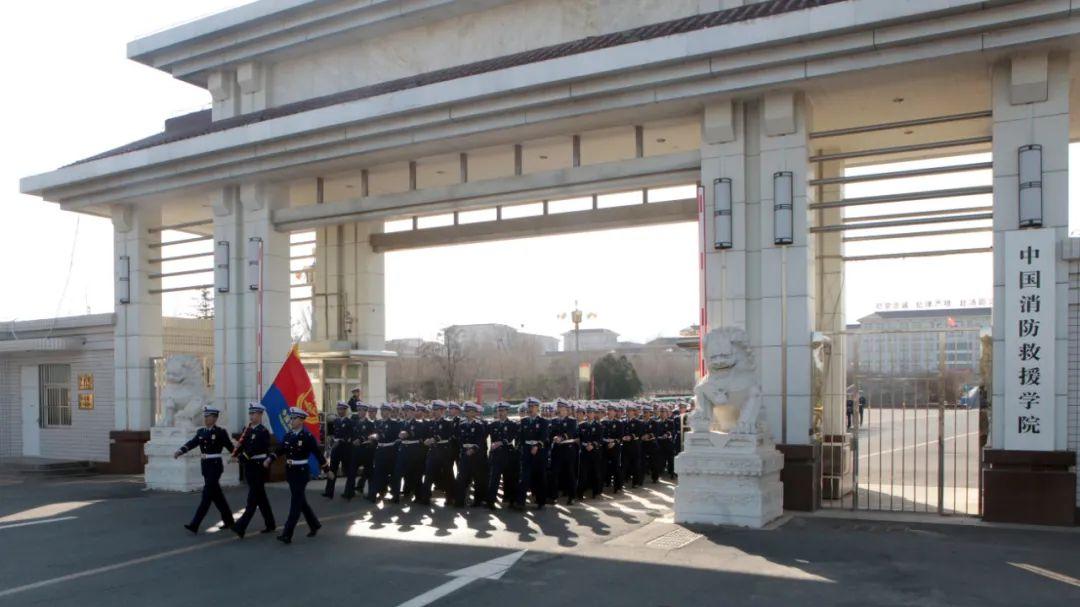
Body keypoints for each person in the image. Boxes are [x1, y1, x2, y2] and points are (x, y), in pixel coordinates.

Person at [265, 406, 329, 544]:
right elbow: (280, 449)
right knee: (301, 502)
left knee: (295, 503)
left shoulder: (307, 437)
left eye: (294, 418)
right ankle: (314, 524)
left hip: (301, 472)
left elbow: (317, 454)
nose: (291, 421)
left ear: (301, 421)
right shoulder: (289, 435)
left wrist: (327, 469)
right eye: (292, 418)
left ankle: (287, 534)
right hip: (291, 471)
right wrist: (270, 458)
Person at [175, 406, 235, 534]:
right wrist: (181, 450)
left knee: (206, 495)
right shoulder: (201, 432)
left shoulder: (220, 432)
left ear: (214, 418)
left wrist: (239, 456)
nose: (206, 419)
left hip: (215, 465)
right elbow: (192, 443)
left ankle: (195, 524)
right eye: (205, 416)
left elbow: (230, 447)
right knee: (217, 496)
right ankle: (229, 520)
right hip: (206, 466)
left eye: (209, 416)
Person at [231, 402, 276, 539]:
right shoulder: (248, 429)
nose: (251, 416)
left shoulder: (263, 431)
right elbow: (243, 444)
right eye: (250, 413)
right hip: (250, 466)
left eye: (254, 413)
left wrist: (241, 458)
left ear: (260, 415)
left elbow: (255, 449)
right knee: (260, 497)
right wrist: (235, 453)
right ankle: (270, 523)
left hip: (258, 467)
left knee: (253, 499)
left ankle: (241, 526)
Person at [417, 400, 454, 505]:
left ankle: (450, 497)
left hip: (444, 451)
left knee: (448, 475)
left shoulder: (447, 422)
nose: (434, 412)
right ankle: (425, 498)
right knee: (428, 475)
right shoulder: (430, 423)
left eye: (436, 410)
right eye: (433, 409)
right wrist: (424, 440)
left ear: (442, 411)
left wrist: (433, 439)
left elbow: (447, 434)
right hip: (433, 451)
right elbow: (424, 435)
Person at [391, 402, 427, 503]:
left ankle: (418, 496)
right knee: (397, 473)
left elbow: (419, 433)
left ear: (413, 412)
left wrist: (408, 433)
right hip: (403, 450)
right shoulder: (401, 423)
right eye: (405, 411)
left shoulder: (418, 423)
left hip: (414, 451)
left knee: (415, 475)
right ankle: (396, 496)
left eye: (409, 411)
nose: (406, 413)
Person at [517, 397, 549, 510]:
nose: (530, 409)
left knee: (540, 477)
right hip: (526, 451)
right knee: (524, 477)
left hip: (539, 453)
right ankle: (520, 502)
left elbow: (544, 436)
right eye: (529, 406)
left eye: (532, 407)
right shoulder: (524, 421)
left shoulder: (543, 421)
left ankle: (541, 501)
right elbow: (520, 437)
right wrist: (520, 448)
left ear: (537, 408)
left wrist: (537, 445)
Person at [454, 402, 488, 507]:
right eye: (466, 411)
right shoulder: (462, 424)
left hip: (475, 456)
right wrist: (463, 449)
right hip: (465, 454)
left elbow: (481, 440)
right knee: (462, 478)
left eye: (470, 411)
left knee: (478, 478)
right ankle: (459, 501)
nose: (468, 412)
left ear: (474, 412)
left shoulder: (479, 425)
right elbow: (459, 439)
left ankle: (478, 501)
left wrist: (473, 449)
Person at [366, 403, 402, 502]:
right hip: (380, 450)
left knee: (393, 475)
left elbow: (398, 439)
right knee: (377, 473)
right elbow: (376, 435)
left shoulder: (395, 424)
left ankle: (395, 496)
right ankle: (373, 495)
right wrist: (373, 438)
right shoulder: (378, 423)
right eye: (382, 411)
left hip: (390, 451)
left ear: (390, 412)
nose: (383, 413)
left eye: (385, 410)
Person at [486, 401, 518, 509]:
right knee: (494, 478)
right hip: (496, 455)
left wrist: (501, 442)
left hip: (508, 454)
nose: (500, 412)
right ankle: (490, 501)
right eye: (499, 410)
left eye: (503, 410)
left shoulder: (512, 424)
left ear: (507, 411)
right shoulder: (493, 424)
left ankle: (511, 499)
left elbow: (511, 438)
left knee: (509, 478)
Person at [323, 401, 357, 499]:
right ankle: (329, 492)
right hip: (336, 449)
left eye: (342, 409)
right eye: (338, 409)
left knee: (348, 471)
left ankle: (349, 492)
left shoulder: (350, 422)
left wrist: (342, 440)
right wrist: (331, 440)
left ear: (345, 410)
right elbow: (333, 434)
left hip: (346, 449)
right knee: (332, 470)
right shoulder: (336, 421)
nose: (340, 411)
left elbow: (351, 436)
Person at [549, 399, 579, 505]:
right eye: (559, 408)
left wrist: (561, 438)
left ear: (567, 410)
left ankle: (572, 496)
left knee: (570, 474)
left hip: (568, 450)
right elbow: (551, 433)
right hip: (557, 450)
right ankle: (553, 496)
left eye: (562, 409)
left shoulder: (572, 421)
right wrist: (554, 437)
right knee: (554, 473)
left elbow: (571, 432)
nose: (560, 410)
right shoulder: (554, 421)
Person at [577, 404, 603, 499]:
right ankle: (580, 493)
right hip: (584, 451)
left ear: (594, 414)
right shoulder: (581, 425)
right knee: (583, 473)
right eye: (588, 412)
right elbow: (579, 438)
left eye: (591, 412)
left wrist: (592, 445)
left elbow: (600, 439)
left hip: (594, 452)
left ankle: (595, 492)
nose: (589, 414)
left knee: (596, 472)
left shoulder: (599, 426)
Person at [352, 402, 376, 496]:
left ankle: (371, 493)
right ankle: (351, 491)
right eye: (358, 410)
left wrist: (362, 439)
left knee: (369, 472)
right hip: (357, 450)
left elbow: (373, 436)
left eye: (373, 412)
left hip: (369, 450)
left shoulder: (372, 423)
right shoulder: (356, 422)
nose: (371, 413)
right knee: (353, 471)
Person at [600, 403, 625, 493]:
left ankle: (617, 486)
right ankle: (602, 485)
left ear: (615, 412)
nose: (609, 412)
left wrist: (614, 442)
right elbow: (600, 436)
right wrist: (605, 441)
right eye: (608, 410)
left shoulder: (619, 423)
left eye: (611, 410)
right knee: (603, 467)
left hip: (615, 448)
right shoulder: (603, 422)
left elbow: (620, 437)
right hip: (605, 447)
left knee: (616, 467)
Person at [623, 403, 645, 488]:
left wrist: (631, 437)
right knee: (624, 465)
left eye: (630, 411)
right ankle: (623, 481)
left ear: (633, 412)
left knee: (636, 465)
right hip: (625, 446)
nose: (628, 412)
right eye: (627, 411)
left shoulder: (638, 422)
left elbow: (639, 433)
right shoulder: (623, 422)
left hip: (635, 447)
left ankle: (635, 482)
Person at [657, 404, 677, 480]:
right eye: (661, 411)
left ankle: (672, 473)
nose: (662, 413)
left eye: (663, 411)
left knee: (671, 460)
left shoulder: (670, 422)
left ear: (667, 413)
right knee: (660, 460)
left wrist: (667, 434)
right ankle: (660, 473)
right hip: (660, 444)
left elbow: (672, 431)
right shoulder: (656, 422)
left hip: (668, 444)